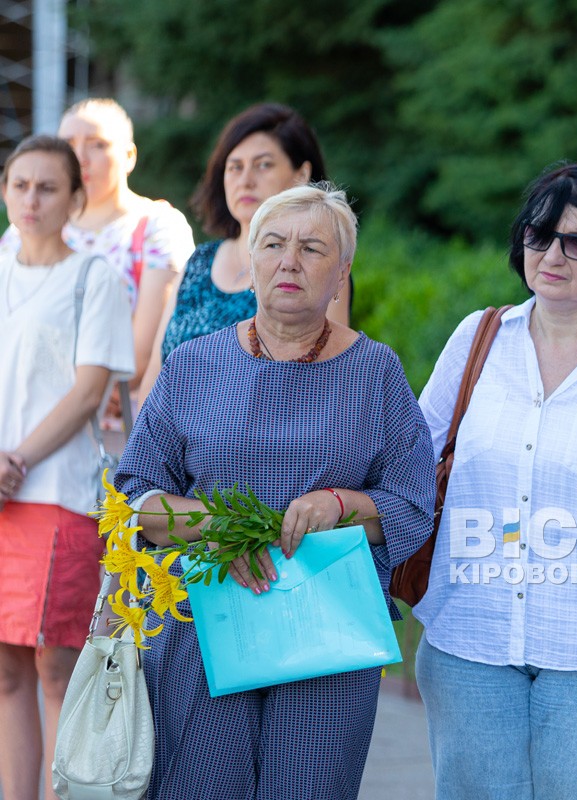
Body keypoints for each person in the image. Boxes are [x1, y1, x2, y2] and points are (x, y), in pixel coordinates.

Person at [113, 183, 436, 799]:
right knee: (198, 786)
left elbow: (413, 502)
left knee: (309, 789)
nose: (290, 260)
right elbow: (136, 496)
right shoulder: (193, 365)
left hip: (327, 633)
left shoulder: (377, 372)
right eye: (274, 244)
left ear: (340, 275)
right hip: (202, 624)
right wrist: (214, 527)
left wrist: (342, 505)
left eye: (313, 248)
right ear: (251, 264)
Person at [413, 158, 577, 799]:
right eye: (537, 235)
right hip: (468, 639)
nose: (552, 255)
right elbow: (409, 460)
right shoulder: (480, 337)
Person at [0, 135, 134, 800]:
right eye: (19, 184)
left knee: (58, 670)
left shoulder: (94, 277)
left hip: (55, 495)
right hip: (0, 498)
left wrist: (17, 458)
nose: (31, 199)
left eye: (47, 187)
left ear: (77, 199)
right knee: (4, 674)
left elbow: (89, 389)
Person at [142, 103, 347, 394]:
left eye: (263, 164)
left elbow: (325, 382)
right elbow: (156, 375)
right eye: (235, 167)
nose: (245, 180)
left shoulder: (319, 266)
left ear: (301, 174)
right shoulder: (199, 263)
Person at [0, 99, 192, 403]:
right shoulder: (24, 227)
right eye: (68, 144)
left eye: (97, 144)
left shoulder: (157, 226)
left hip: (111, 424)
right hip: (19, 405)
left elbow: (140, 356)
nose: (80, 157)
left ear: (129, 155)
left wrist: (84, 389)